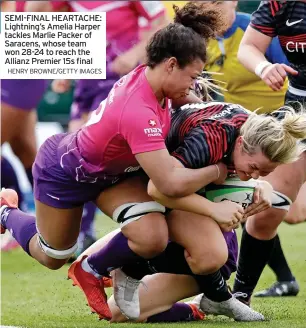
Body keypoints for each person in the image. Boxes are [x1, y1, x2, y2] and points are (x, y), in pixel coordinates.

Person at [0, 2, 229, 321]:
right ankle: (6, 211)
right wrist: (220, 169)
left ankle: (97, 268)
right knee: (52, 254)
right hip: (64, 172)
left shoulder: (157, 78)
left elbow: (192, 101)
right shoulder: (138, 110)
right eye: (191, 76)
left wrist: (226, 115)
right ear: (171, 65)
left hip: (110, 176)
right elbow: (167, 183)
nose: (193, 85)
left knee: (151, 237)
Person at [69, 93, 306, 321]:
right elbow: (160, 188)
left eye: (264, 172)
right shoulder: (210, 139)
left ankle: (205, 300)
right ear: (242, 143)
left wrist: (260, 185)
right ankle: (127, 265)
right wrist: (214, 207)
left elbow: (227, 173)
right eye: (254, 168)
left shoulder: (248, 131)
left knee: (217, 257)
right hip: (147, 190)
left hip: (174, 205)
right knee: (213, 255)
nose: (251, 176)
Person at [47, 0, 168, 259]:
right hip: (86, 82)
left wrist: (136, 52)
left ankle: (87, 231)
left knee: (89, 153)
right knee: (72, 156)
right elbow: (54, 18)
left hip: (118, 84)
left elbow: (162, 23)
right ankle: (77, 232)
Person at [233, 0, 306, 300]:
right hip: (299, 110)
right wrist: (264, 67)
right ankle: (239, 299)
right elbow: (248, 46)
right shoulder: (280, 3)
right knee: (269, 208)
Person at [204, 1, 288, 112]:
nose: (211, 9)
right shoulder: (200, 39)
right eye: (203, 4)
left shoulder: (257, 29)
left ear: (234, 2)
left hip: (280, 113)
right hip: (240, 119)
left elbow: (293, 70)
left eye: (217, 2)